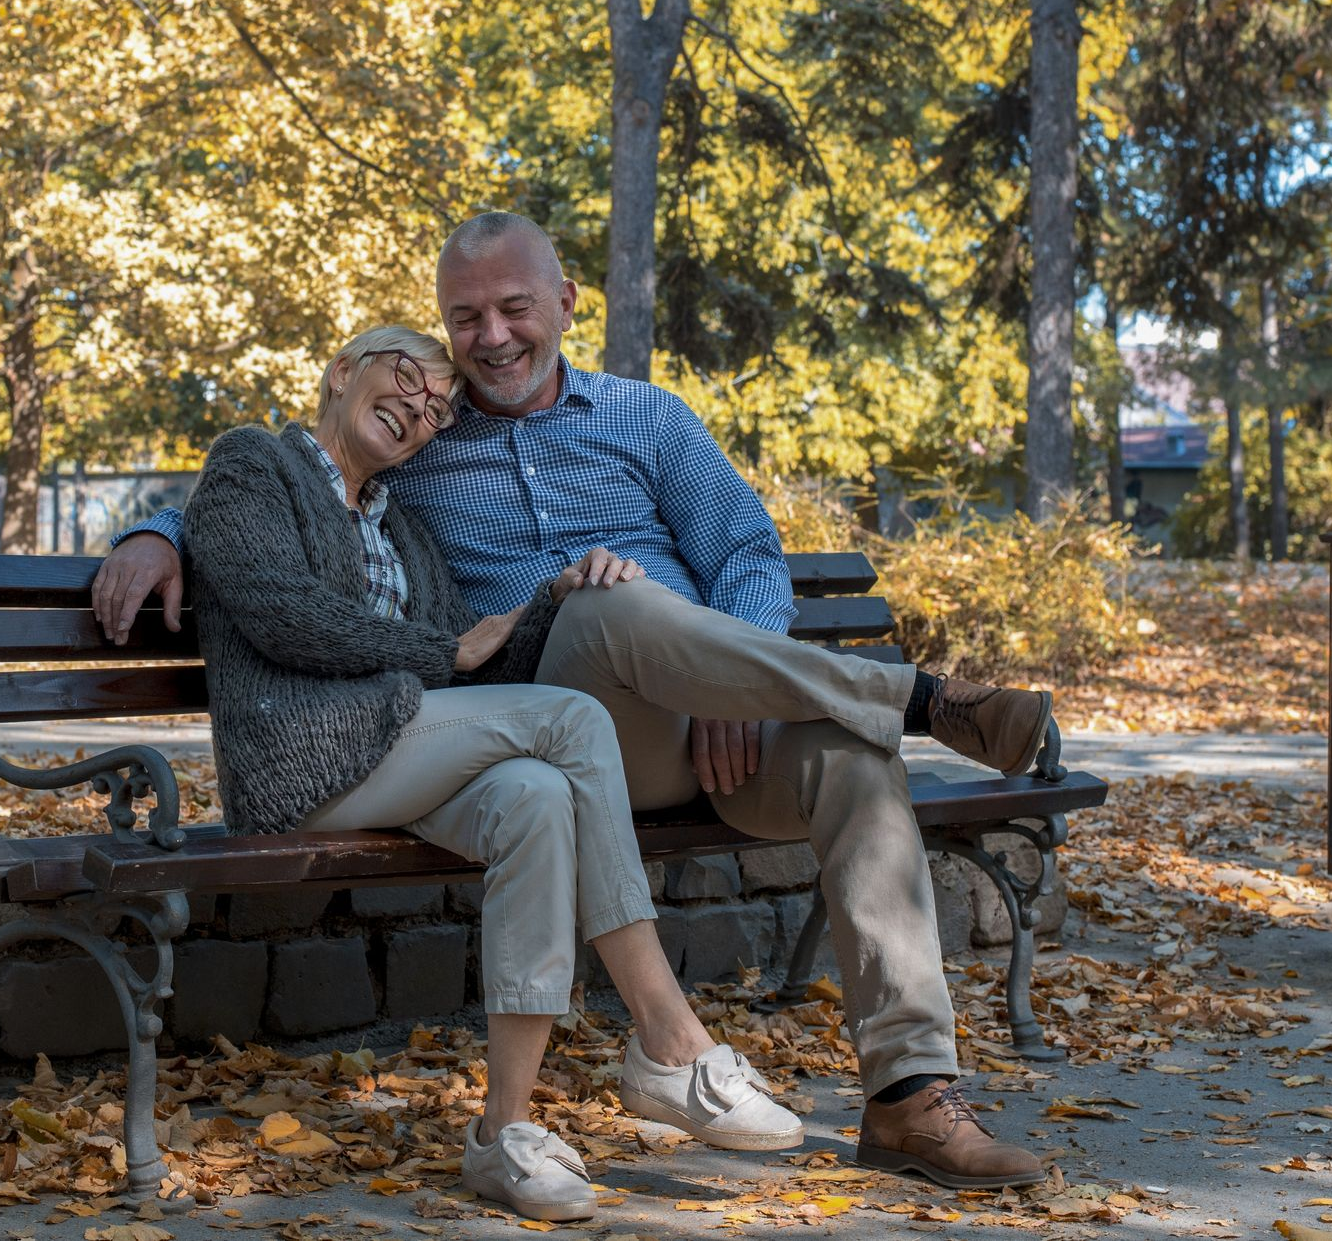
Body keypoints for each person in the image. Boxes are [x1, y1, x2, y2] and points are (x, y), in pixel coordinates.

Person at [94, 215, 1053, 1191]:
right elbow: (283, 481)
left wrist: (736, 683)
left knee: (854, 760)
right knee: (602, 596)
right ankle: (920, 696)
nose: (491, 337)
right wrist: (153, 531)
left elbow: (748, 557)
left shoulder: (649, 418)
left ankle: (910, 1099)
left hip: (714, 724)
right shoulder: (425, 434)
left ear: (565, 304)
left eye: (514, 308)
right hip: (565, 712)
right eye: (463, 318)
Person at [181, 325, 804, 1223]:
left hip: (397, 752)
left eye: (439, 407)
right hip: (299, 762)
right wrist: (439, 648)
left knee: (536, 797)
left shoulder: (401, 521)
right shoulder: (253, 464)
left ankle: (503, 1134)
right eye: (406, 377)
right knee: (572, 722)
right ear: (341, 369)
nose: (421, 408)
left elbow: (478, 664)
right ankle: (671, 1039)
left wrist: (559, 598)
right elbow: (285, 614)